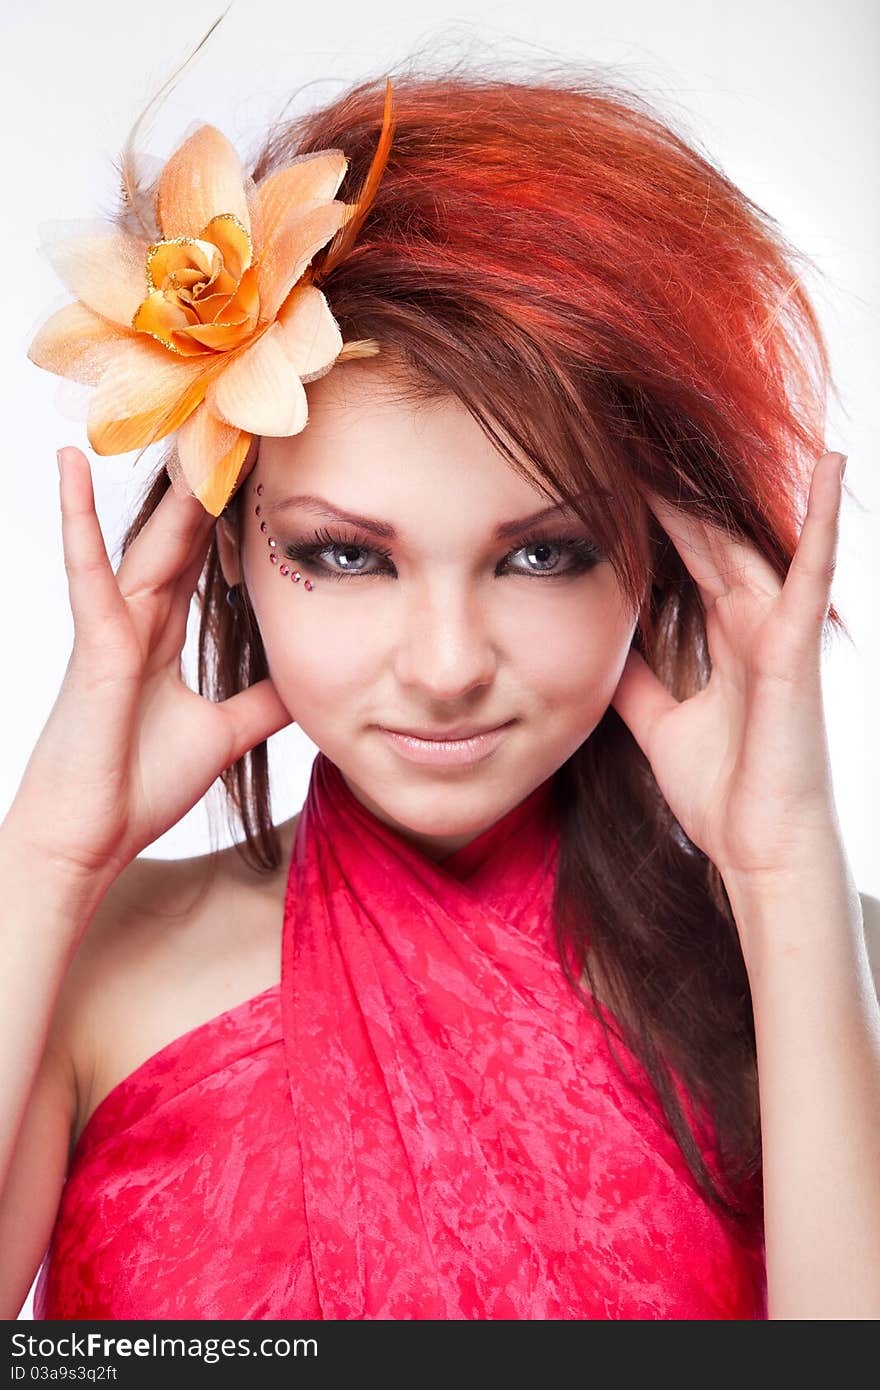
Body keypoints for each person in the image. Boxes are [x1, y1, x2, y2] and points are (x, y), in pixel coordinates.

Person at [1, 55, 879, 1322]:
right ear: (231, 553)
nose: (449, 663)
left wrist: (784, 870)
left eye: (542, 552)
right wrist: (45, 858)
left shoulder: (826, 968)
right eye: (346, 555)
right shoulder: (87, 966)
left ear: (667, 559)